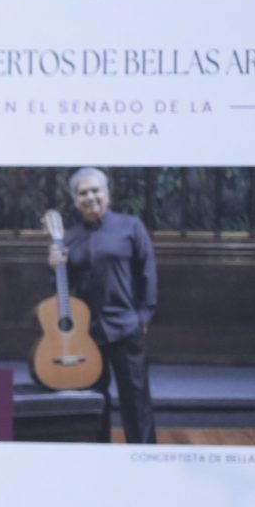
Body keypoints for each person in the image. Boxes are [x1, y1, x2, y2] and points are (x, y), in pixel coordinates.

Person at [48, 167, 158, 444]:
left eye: (96, 190)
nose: (90, 197)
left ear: (107, 193)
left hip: (125, 327)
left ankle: (145, 457)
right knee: (94, 402)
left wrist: (143, 316)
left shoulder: (131, 226)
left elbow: (148, 272)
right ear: (75, 200)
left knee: (136, 401)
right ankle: (99, 458)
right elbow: (63, 292)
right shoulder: (69, 238)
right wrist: (55, 268)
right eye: (83, 193)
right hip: (88, 334)